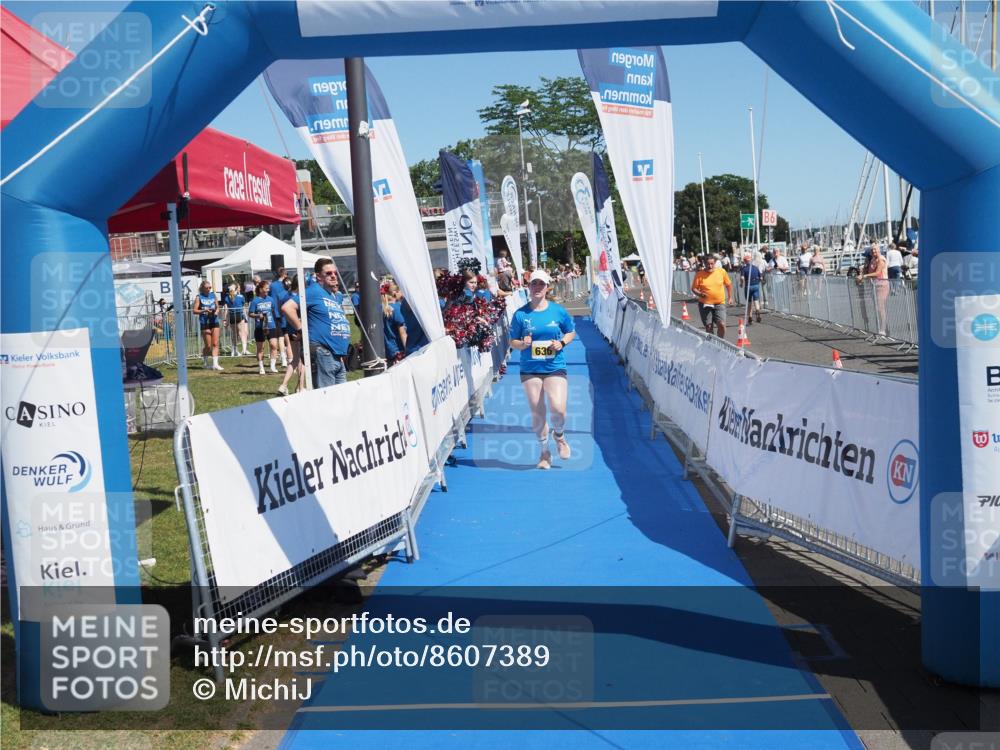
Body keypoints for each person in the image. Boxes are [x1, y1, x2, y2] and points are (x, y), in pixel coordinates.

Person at [509, 269, 576, 470]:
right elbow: (512, 341)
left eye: (541, 284)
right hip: (530, 368)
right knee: (538, 413)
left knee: (558, 409)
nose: (537, 287)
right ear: (528, 287)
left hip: (554, 366)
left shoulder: (558, 311)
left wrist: (562, 343)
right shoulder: (520, 314)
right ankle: (544, 452)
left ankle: (560, 436)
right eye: (533, 284)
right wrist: (522, 344)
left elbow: (571, 331)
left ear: (547, 287)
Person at [282, 258, 351, 387]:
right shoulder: (313, 291)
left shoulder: (331, 295)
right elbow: (287, 307)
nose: (333, 276)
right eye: (328, 273)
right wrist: (301, 329)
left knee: (341, 398)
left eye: (335, 273)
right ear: (318, 276)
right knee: (327, 398)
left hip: (336, 354)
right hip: (323, 352)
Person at [691, 255, 733, 338]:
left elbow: (728, 285)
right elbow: (694, 288)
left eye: (712, 264)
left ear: (715, 263)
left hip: (719, 303)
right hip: (705, 304)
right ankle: (713, 344)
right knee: (709, 326)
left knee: (722, 324)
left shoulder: (721, 272)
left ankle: (720, 342)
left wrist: (730, 297)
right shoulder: (699, 274)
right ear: (704, 263)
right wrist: (700, 294)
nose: (710, 266)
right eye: (707, 264)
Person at [277, 277, 305, 395]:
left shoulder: (284, 296)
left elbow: (280, 310)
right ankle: (300, 387)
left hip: (289, 329)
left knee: (295, 359)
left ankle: (284, 385)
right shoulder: (298, 297)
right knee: (303, 360)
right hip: (298, 329)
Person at [249, 280, 279, 375]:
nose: (268, 290)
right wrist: (258, 316)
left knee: (274, 345)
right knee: (260, 348)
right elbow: (250, 314)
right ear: (261, 289)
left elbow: (275, 311)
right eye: (266, 288)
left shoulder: (271, 299)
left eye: (268, 288)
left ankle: (272, 366)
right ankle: (261, 367)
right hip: (260, 327)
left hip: (271, 325)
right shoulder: (255, 301)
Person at [192, 279, 224, 371]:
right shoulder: (199, 297)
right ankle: (205, 363)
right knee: (208, 345)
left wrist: (216, 312)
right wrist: (204, 310)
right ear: (202, 288)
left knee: (215, 343)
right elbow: (194, 310)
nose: (209, 289)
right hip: (204, 322)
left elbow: (218, 307)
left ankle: (215, 364)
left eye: (210, 287)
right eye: (207, 288)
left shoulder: (213, 295)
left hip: (214, 321)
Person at [858, 244, 889, 336]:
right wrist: (863, 270)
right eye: (872, 251)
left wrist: (864, 276)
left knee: (880, 308)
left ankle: (883, 328)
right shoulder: (872, 259)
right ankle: (879, 326)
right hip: (874, 286)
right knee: (876, 307)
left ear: (879, 250)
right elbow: (869, 271)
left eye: (875, 250)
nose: (873, 252)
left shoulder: (881, 259)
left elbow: (877, 273)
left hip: (882, 285)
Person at [381, 281, 407, 364]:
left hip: (386, 351)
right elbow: (402, 333)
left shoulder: (381, 308)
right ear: (395, 293)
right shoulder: (397, 308)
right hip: (398, 350)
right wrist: (408, 350)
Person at [223, 284, 249, 356]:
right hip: (239, 315)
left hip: (231, 316)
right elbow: (244, 307)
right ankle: (244, 349)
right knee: (242, 333)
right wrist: (245, 316)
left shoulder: (227, 298)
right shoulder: (241, 297)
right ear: (236, 289)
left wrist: (225, 320)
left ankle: (234, 350)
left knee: (234, 334)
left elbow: (226, 310)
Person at [739, 253, 763, 324]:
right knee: (756, 300)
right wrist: (758, 282)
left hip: (748, 286)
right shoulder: (755, 268)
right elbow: (760, 277)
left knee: (749, 302)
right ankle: (758, 310)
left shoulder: (744, 269)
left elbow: (742, 278)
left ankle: (750, 317)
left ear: (745, 261)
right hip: (756, 285)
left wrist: (741, 283)